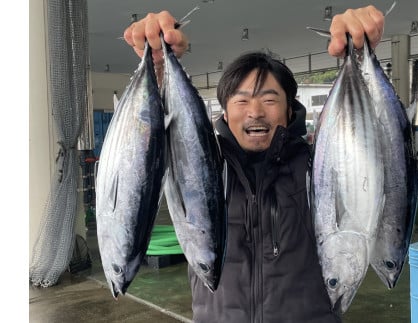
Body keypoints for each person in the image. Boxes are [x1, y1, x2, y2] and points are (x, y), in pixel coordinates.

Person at [124, 5, 385, 323]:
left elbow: (375, 157)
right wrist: (159, 70)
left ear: (290, 111)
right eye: (241, 100)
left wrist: (359, 57)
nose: (255, 111)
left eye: (270, 99)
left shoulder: (318, 170)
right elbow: (140, 149)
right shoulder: (201, 169)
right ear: (224, 112)